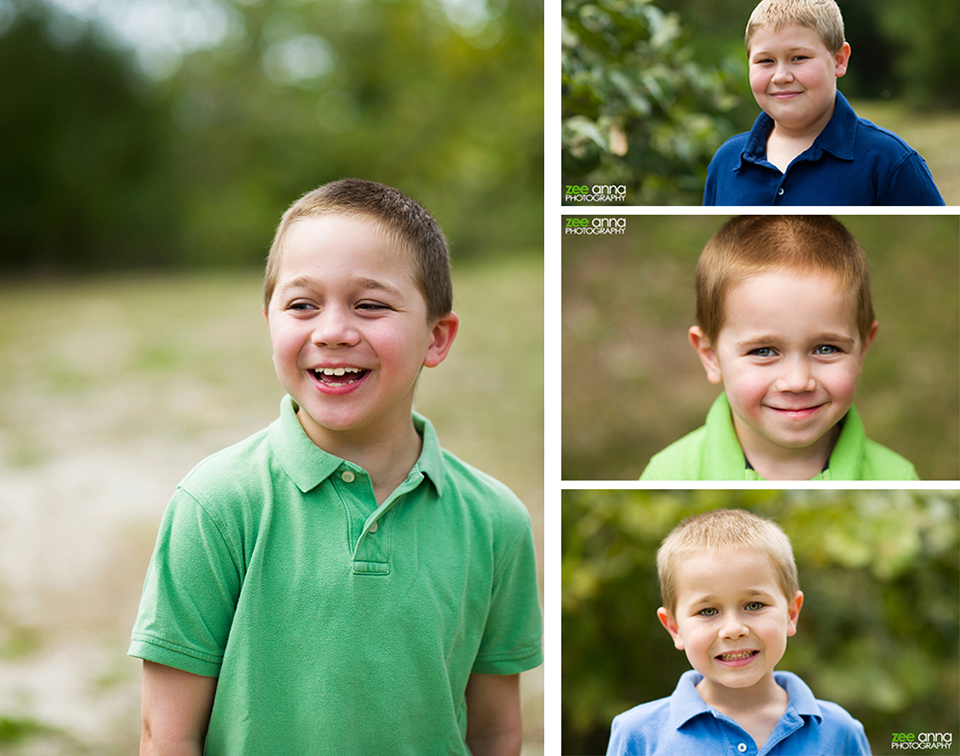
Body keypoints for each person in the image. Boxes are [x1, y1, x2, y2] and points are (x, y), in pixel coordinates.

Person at [128, 179, 543, 755]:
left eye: (370, 305)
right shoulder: (217, 503)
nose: (333, 332)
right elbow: (166, 734)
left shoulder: (495, 520)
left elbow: (495, 729)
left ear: (437, 337)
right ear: (270, 321)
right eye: (302, 305)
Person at [640, 215, 918, 481]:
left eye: (826, 348)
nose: (797, 382)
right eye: (763, 351)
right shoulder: (668, 473)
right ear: (711, 356)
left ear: (863, 348)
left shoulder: (898, 476)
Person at [606, 508, 872, 756]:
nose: (733, 630)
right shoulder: (638, 736)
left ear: (791, 614)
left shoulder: (840, 732)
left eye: (754, 605)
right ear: (674, 628)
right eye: (708, 611)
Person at [703, 0, 944, 206]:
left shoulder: (890, 162)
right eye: (765, 61)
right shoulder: (725, 162)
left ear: (839, 60)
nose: (781, 76)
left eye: (798, 58)